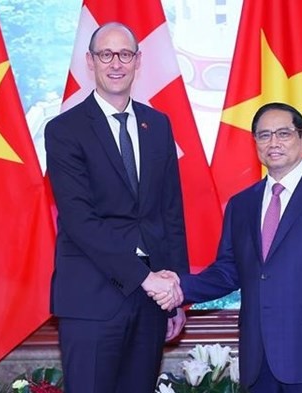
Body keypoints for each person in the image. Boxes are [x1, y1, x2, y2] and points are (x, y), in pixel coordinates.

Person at [157, 102, 302, 392]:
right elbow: (229, 271)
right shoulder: (241, 204)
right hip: (258, 361)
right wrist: (179, 285)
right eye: (264, 135)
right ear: (255, 141)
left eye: (283, 133)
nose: (274, 143)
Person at [45, 22, 187, 393]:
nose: (116, 63)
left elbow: (170, 213)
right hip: (92, 300)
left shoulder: (157, 125)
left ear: (138, 60)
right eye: (106, 54)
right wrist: (146, 278)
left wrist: (176, 293)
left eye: (124, 54)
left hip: (151, 303)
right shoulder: (64, 130)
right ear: (91, 61)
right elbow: (80, 221)